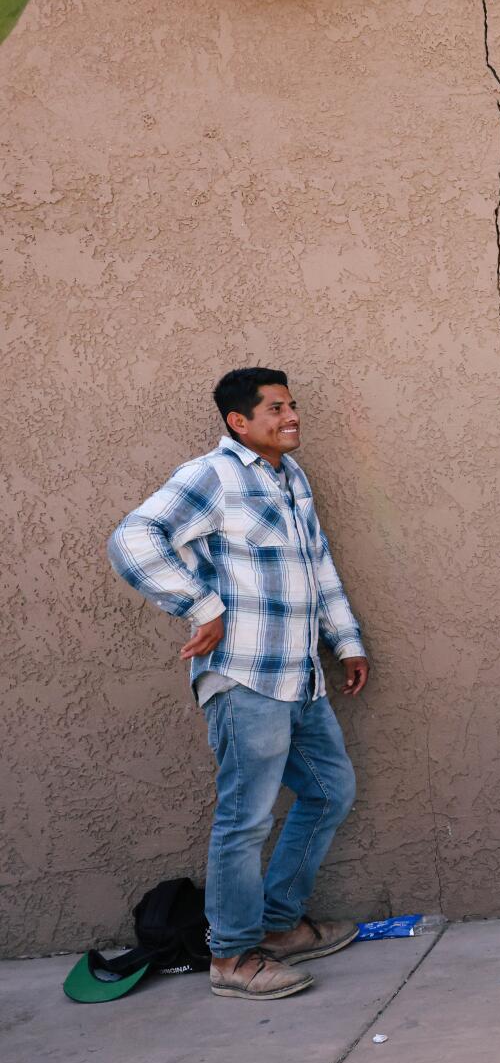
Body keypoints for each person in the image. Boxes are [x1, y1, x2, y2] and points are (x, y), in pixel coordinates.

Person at [108, 368, 369, 1002]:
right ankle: (229, 956)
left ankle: (279, 927)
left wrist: (346, 641)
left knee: (330, 791)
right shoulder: (212, 475)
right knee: (243, 819)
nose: (292, 415)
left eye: (292, 404)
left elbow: (319, 567)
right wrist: (201, 606)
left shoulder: (292, 479)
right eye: (276, 408)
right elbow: (132, 539)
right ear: (239, 422)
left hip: (300, 676)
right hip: (245, 677)